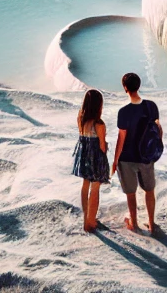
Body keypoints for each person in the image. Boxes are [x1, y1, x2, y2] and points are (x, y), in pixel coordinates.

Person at [112, 72, 162, 233]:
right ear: (139, 85)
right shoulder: (151, 106)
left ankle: (133, 222)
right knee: (149, 190)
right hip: (146, 157)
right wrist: (155, 148)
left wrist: (114, 161)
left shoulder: (124, 112)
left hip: (126, 158)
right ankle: (152, 223)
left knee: (131, 193)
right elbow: (158, 130)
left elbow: (121, 138)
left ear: (125, 88)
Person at [72, 88, 110, 233]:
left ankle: (85, 219)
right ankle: (91, 221)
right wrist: (105, 148)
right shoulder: (99, 124)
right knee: (95, 188)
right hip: (95, 157)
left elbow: (83, 138)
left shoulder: (80, 118)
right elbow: (102, 146)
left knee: (85, 185)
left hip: (83, 155)